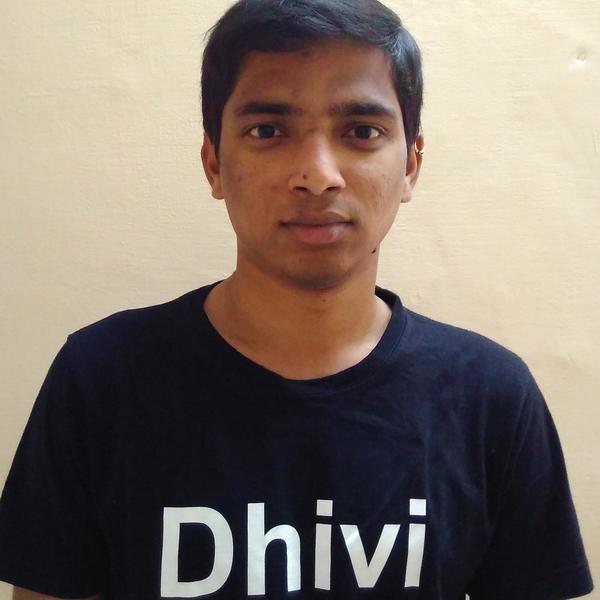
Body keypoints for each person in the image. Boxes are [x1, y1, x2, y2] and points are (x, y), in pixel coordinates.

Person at [0, 0, 594, 598]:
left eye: (361, 132)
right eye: (268, 130)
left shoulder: (491, 397)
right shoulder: (101, 379)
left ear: (411, 165)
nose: (317, 174)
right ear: (213, 162)